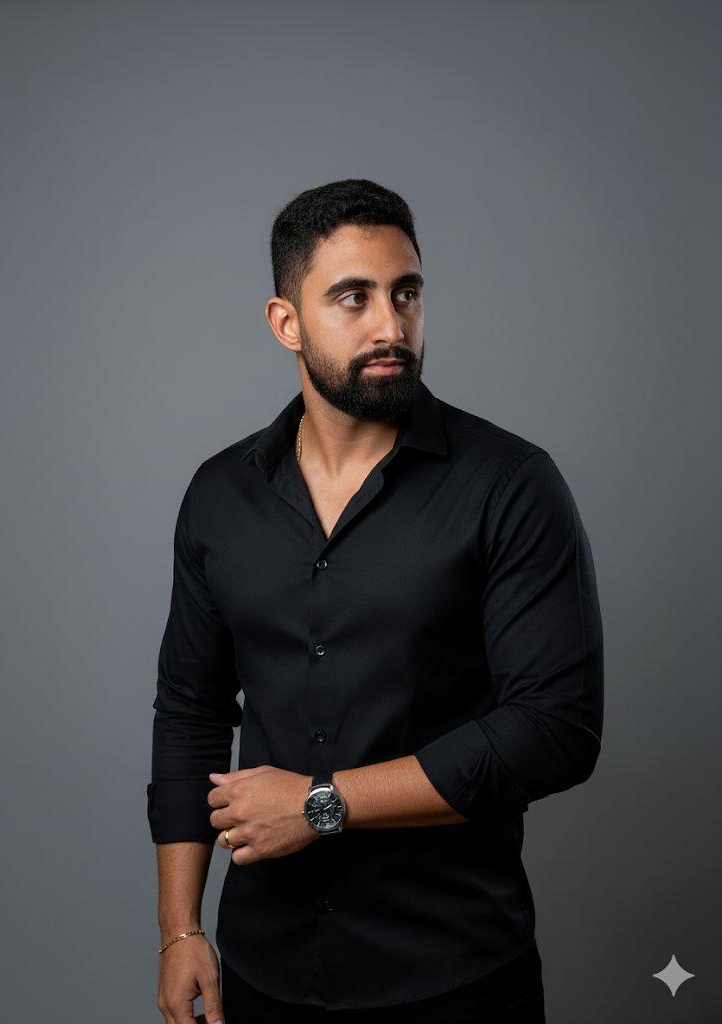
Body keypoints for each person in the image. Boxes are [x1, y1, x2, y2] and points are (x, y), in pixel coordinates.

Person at [147, 178, 603, 1023]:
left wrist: (320, 804)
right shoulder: (218, 496)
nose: (391, 327)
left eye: (407, 294)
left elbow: (555, 730)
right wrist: (180, 929)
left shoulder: (509, 484)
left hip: (452, 972)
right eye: (352, 298)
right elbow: (189, 709)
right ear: (285, 321)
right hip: (266, 968)